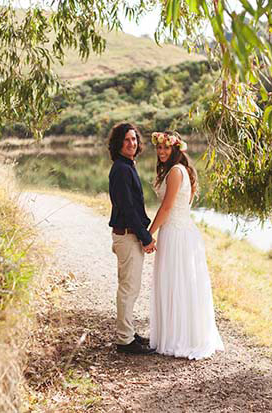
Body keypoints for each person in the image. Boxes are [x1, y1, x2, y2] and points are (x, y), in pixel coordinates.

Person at [148, 131, 224, 360]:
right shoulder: (183, 171)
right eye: (159, 148)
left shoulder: (175, 172)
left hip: (176, 234)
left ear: (175, 150)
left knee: (177, 282)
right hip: (182, 232)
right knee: (180, 283)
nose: (161, 152)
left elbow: (167, 208)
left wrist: (148, 234)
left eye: (166, 148)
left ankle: (179, 338)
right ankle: (182, 334)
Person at [108, 122, 157, 355]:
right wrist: (146, 237)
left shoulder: (127, 166)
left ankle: (128, 332)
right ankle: (124, 340)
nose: (132, 143)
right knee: (128, 289)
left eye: (134, 139)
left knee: (131, 287)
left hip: (129, 236)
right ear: (118, 143)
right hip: (127, 237)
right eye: (127, 140)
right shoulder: (121, 169)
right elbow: (127, 209)